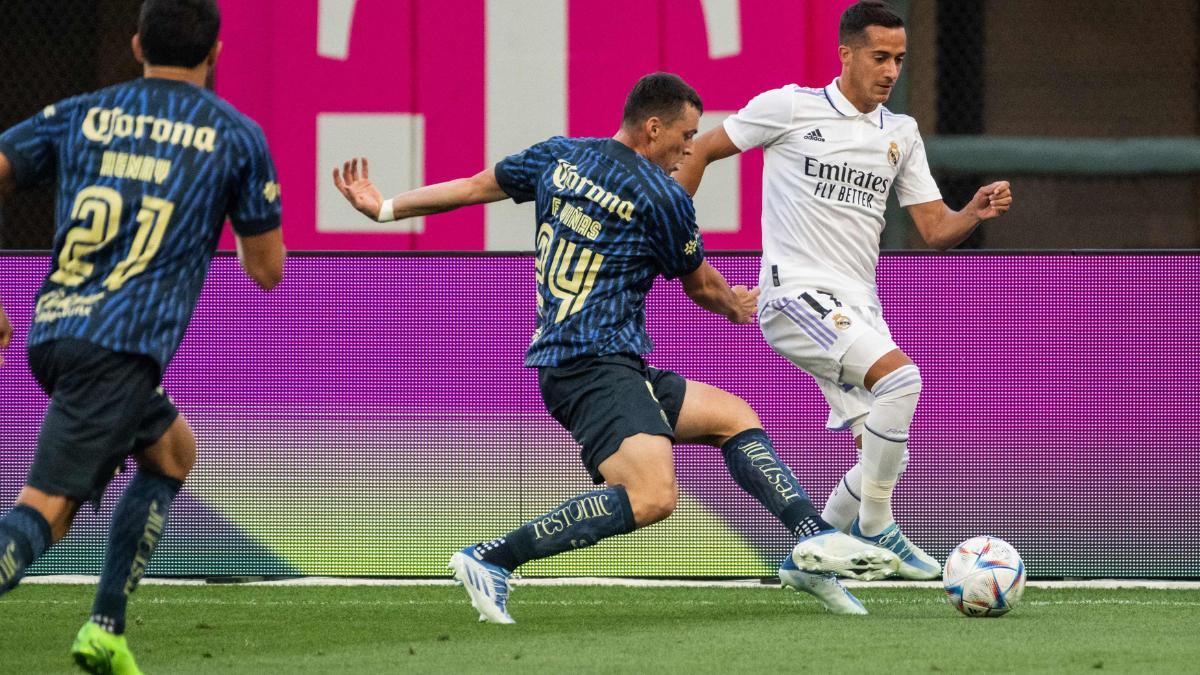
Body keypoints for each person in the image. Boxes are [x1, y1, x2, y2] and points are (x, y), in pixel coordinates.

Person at [334, 72, 898, 623]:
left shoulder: (560, 156)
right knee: (651, 495)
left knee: (731, 417)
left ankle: (813, 541)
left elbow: (476, 186)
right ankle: (492, 559)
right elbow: (702, 286)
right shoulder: (659, 195)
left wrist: (386, 209)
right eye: (684, 137)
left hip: (589, 357)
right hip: (594, 364)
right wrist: (737, 305)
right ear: (653, 128)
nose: (688, 150)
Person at [674, 0, 1013, 580]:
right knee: (904, 381)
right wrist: (672, 226)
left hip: (858, 304)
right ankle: (878, 526)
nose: (890, 70)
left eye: (900, 60)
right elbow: (701, 149)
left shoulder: (900, 133)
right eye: (879, 57)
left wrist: (973, 213)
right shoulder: (788, 108)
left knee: (884, 448)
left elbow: (934, 231)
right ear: (846, 54)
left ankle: (812, 563)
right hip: (793, 293)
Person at [0, 1, 285, 671]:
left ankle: (105, 627)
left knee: (172, 452)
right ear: (215, 53)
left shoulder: (82, 113)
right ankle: (99, 622)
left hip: (57, 331)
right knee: (45, 511)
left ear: (136, 44)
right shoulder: (236, 136)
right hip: (118, 350)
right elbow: (267, 270)